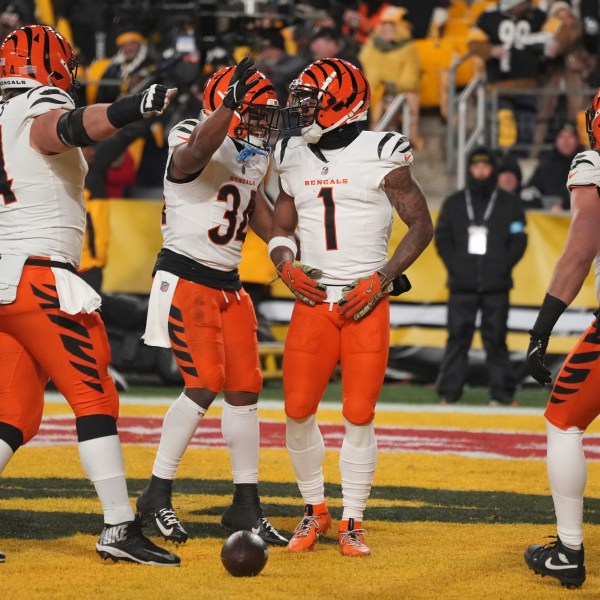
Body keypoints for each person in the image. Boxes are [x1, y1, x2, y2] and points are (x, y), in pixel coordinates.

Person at [0, 25, 179, 565]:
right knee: (95, 392)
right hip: (38, 273)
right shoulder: (38, 101)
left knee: (15, 412)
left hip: (7, 274)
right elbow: (63, 129)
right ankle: (119, 527)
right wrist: (129, 108)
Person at [270, 58, 433, 556]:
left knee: (359, 412)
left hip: (365, 302)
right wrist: (284, 264)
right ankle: (314, 509)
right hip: (313, 298)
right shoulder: (290, 154)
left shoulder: (382, 150)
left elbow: (422, 225)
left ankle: (353, 518)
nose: (300, 111)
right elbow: (280, 225)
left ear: (343, 103)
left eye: (309, 101)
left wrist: (383, 279)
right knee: (297, 409)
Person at [135, 58, 288, 547]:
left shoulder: (251, 152)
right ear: (232, 107)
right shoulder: (193, 130)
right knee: (203, 384)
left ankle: (246, 504)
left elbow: (258, 214)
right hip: (185, 277)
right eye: (257, 112)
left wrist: (289, 258)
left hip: (229, 283)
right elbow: (194, 155)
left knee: (245, 387)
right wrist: (227, 108)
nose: (265, 122)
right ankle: (155, 496)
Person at [522, 87, 600, 590]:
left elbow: (578, 253)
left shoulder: (592, 164)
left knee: (563, 419)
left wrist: (541, 328)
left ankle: (569, 550)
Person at [435, 146, 527, 406]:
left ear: (493, 169)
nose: (481, 171)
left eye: (485, 166)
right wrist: (457, 266)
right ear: (469, 169)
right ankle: (448, 394)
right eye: (476, 166)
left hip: (496, 285)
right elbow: (442, 239)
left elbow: (519, 239)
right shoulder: (454, 203)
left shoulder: (510, 203)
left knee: (496, 340)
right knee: (457, 339)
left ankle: (503, 394)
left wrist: (502, 266)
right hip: (461, 285)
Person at [522, 122, 584, 211]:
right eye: (562, 137)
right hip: (550, 218)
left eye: (570, 137)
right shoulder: (546, 165)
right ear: (556, 141)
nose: (566, 141)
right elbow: (530, 190)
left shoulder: (586, 164)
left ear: (577, 140)